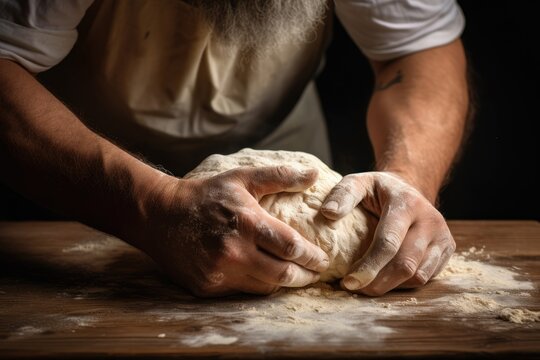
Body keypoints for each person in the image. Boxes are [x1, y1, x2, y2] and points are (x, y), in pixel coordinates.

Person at [0, 0, 469, 297]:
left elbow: (414, 46)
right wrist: (149, 203)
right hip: (70, 155)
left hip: (282, 144)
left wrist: (409, 179)